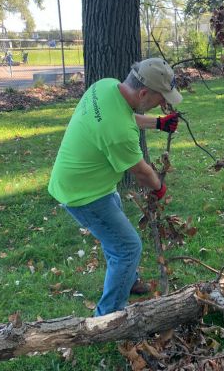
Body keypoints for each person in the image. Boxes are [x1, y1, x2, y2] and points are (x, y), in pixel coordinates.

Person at [48, 58, 181, 316]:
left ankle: (127, 280)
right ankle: (108, 317)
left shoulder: (106, 87)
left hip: (85, 181)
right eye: (159, 98)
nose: (162, 104)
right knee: (128, 247)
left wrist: (158, 123)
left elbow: (127, 117)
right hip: (83, 194)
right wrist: (160, 188)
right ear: (143, 92)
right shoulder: (119, 132)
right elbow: (142, 173)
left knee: (116, 237)